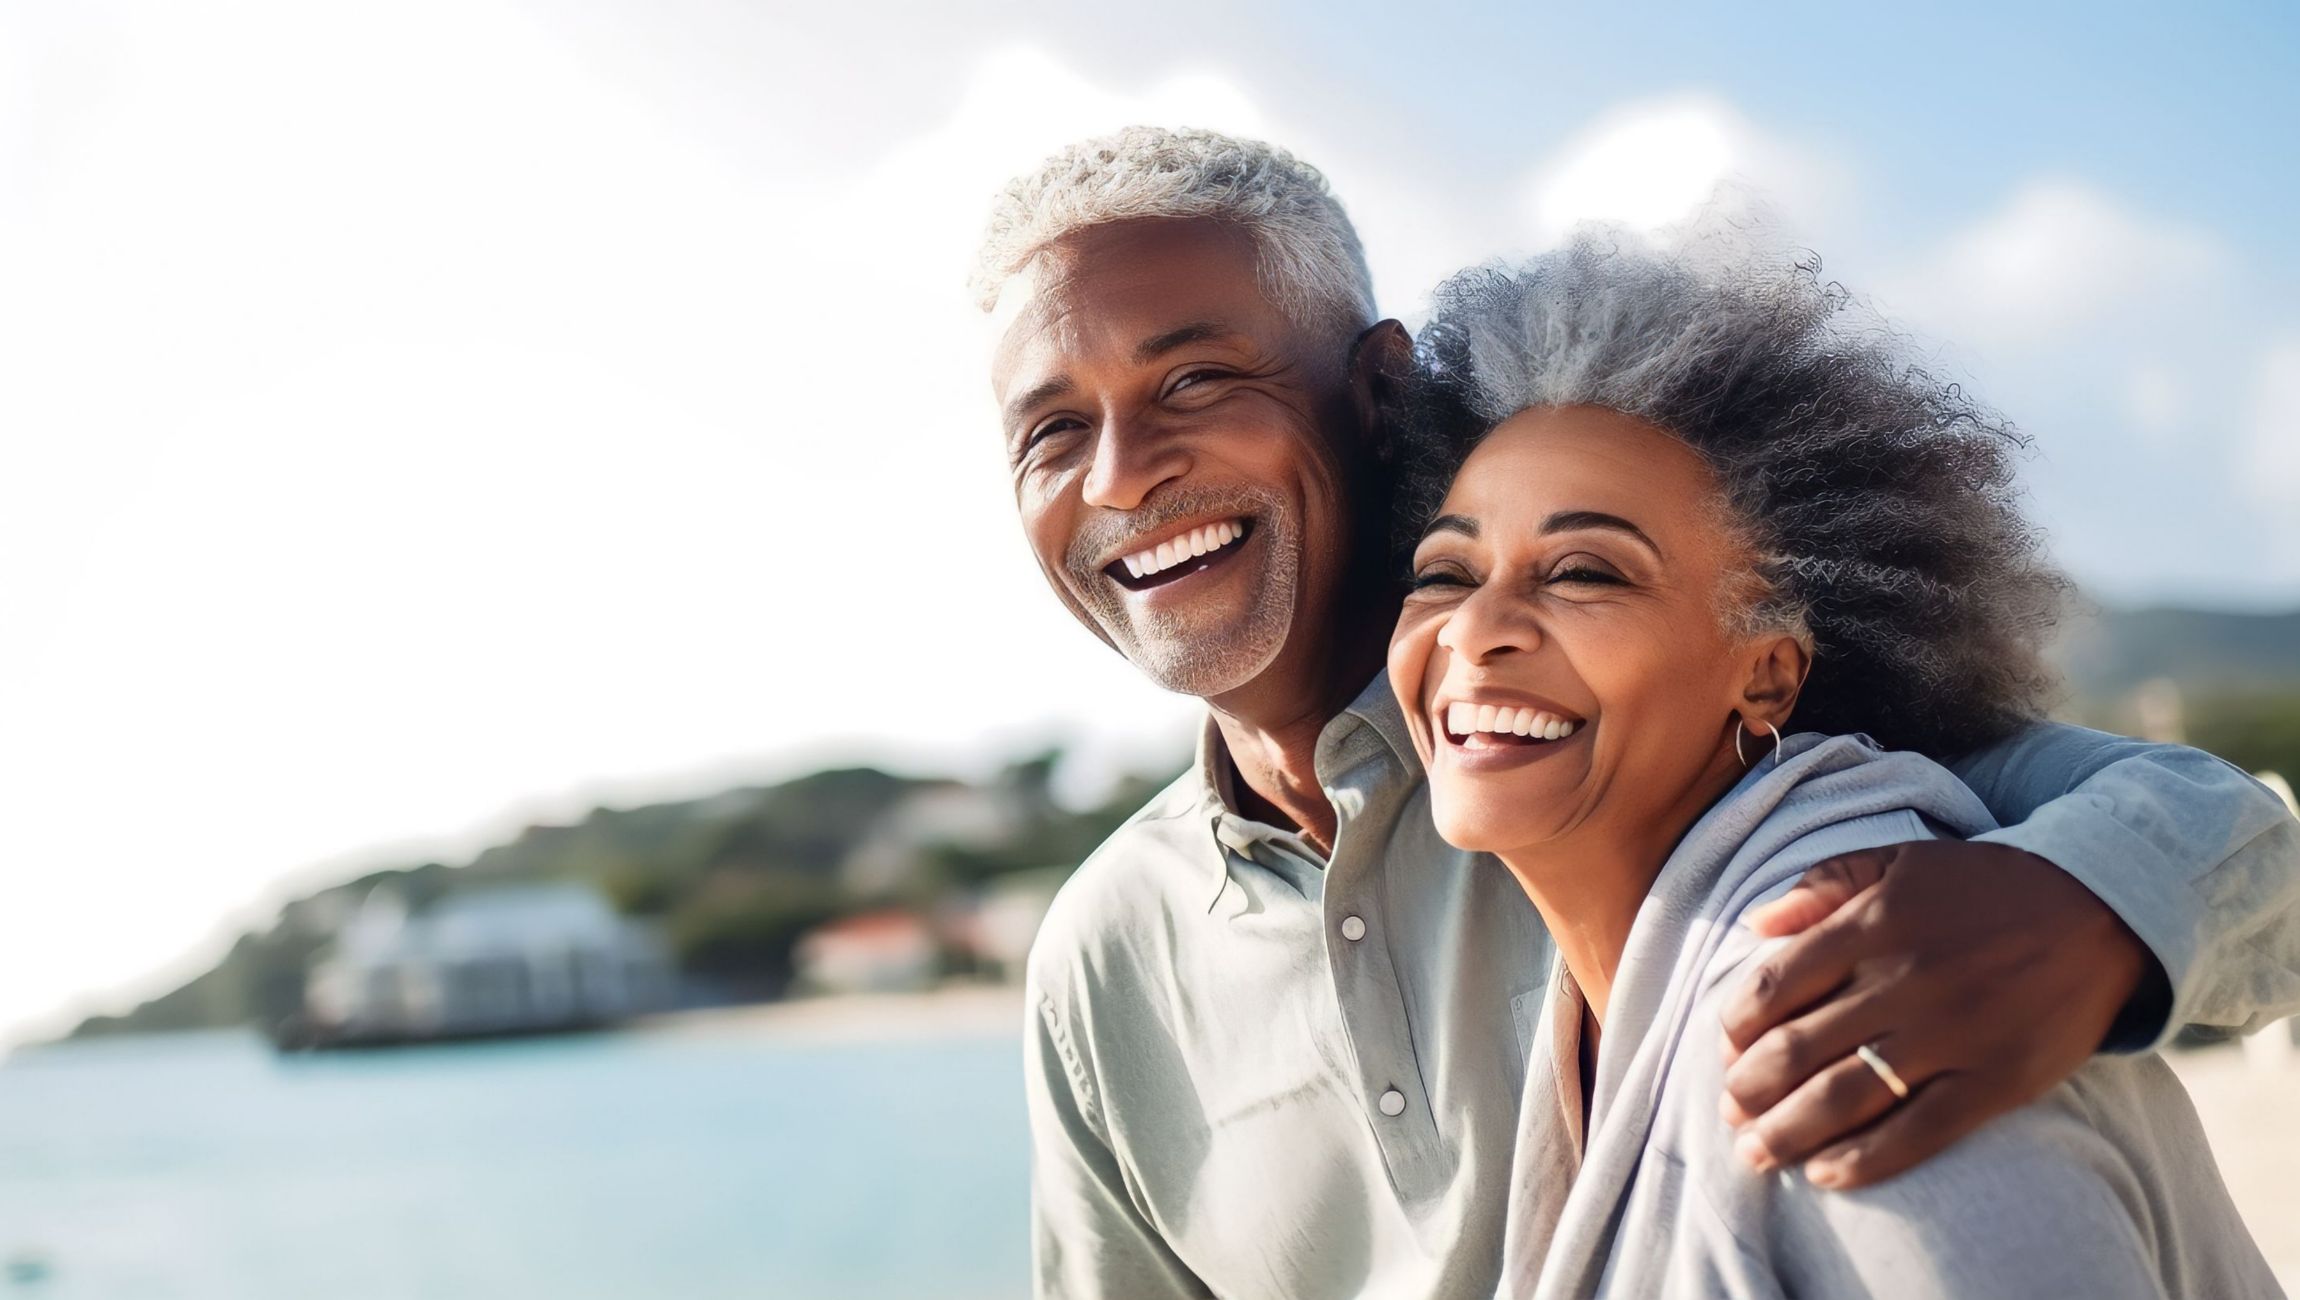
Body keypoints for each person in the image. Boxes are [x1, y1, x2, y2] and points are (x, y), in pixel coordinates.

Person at [972, 127, 2300, 1298]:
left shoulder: (1656, 736)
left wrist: (2086, 910)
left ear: (1377, 392)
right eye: (1050, 431)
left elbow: (2230, 838)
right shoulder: (1099, 963)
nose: (1122, 474)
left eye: (1196, 381)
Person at [1388, 236, 2280, 1297]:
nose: (1475, 627)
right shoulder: (1606, 994)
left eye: (1584, 570)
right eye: (1444, 570)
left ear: (1767, 675)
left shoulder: (1854, 1014)